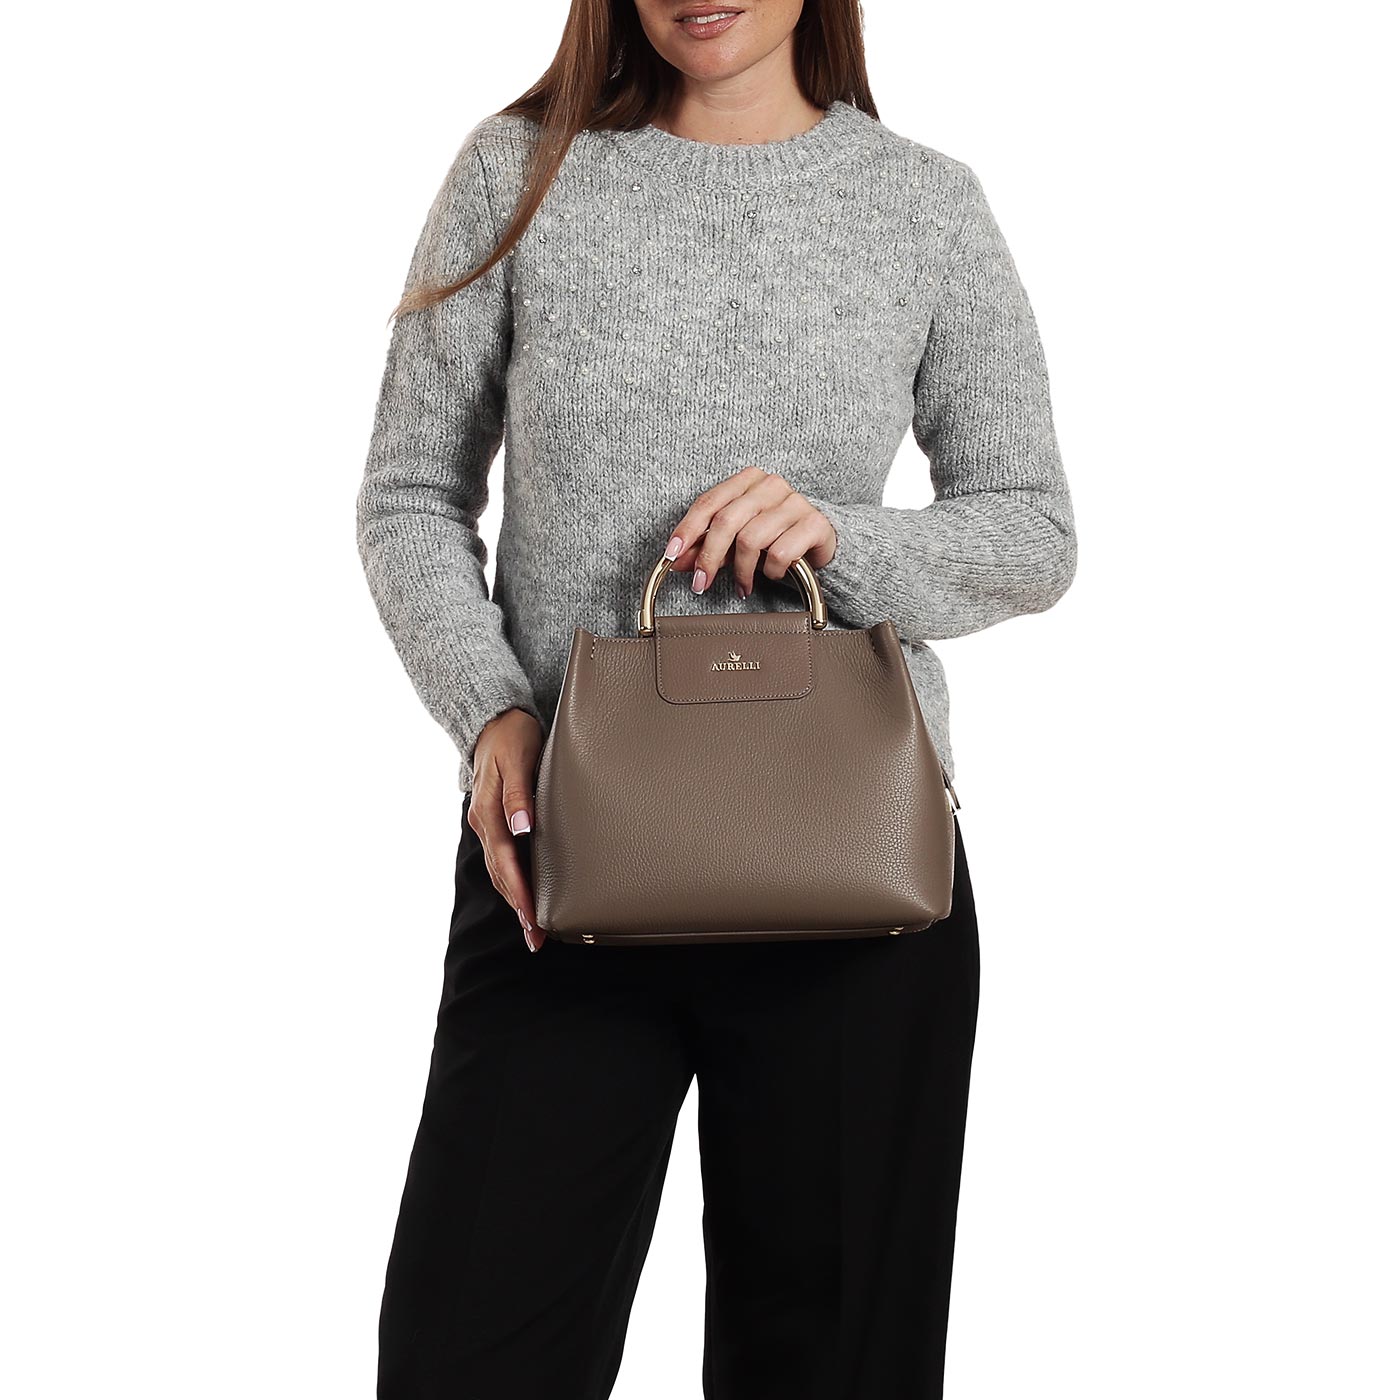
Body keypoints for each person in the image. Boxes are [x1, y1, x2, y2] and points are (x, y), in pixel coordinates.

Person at [355, 2, 1076, 1395]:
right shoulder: (520, 173)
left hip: (854, 876)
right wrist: (492, 712)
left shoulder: (924, 203)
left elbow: (1033, 530)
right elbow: (409, 495)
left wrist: (838, 538)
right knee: (468, 1355)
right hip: (560, 856)